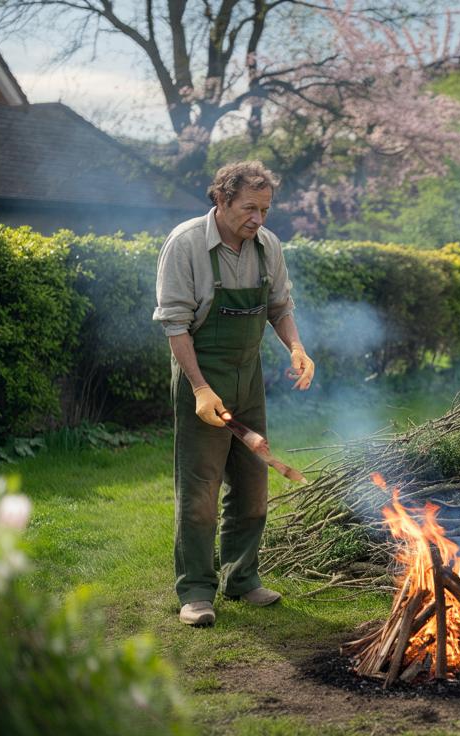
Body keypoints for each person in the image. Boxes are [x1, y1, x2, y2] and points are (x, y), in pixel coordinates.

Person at [153, 161, 316, 627]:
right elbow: (175, 324)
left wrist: (297, 347)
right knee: (200, 491)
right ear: (221, 200)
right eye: (249, 208)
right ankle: (197, 591)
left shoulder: (268, 247)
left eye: (265, 210)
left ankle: (242, 579)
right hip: (200, 378)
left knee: (253, 488)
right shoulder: (186, 244)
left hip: (248, 380)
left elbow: (280, 306)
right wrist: (200, 389)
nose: (258, 219)